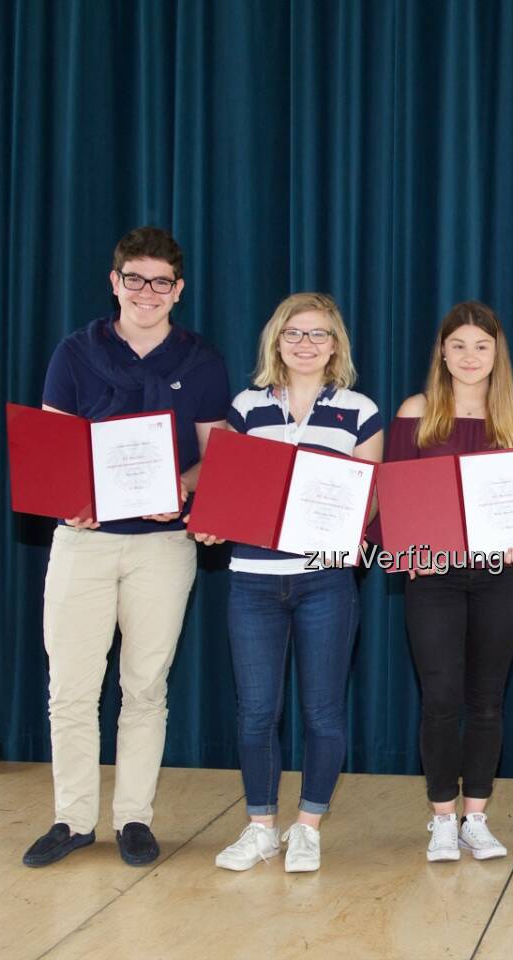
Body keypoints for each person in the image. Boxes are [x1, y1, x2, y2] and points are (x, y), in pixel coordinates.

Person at [22, 227, 230, 868]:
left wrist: (185, 491)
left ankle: (134, 817)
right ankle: (73, 818)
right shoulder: (75, 352)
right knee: (72, 689)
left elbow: (215, 451)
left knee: (145, 687)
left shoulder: (201, 360)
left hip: (163, 546)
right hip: (83, 543)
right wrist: (68, 496)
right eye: (134, 279)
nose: (147, 292)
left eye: (160, 282)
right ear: (115, 282)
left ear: (179, 290)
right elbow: (52, 448)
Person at [201, 292, 382, 874]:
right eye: (294, 334)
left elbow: (371, 497)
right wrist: (211, 521)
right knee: (256, 712)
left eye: (318, 334)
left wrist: (353, 530)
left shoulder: (360, 410)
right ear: (276, 341)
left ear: (336, 346)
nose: (305, 344)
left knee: (324, 713)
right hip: (253, 580)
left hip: (325, 583)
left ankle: (308, 827)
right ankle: (260, 829)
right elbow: (225, 483)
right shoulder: (245, 406)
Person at [385, 301, 513, 863]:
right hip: (434, 580)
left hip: (500, 577)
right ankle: (442, 820)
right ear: (442, 353)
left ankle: (476, 816)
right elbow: (392, 499)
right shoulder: (416, 412)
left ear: (496, 352)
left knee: (487, 700)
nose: (470, 357)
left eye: (481, 345)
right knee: (441, 698)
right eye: (459, 346)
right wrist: (408, 551)